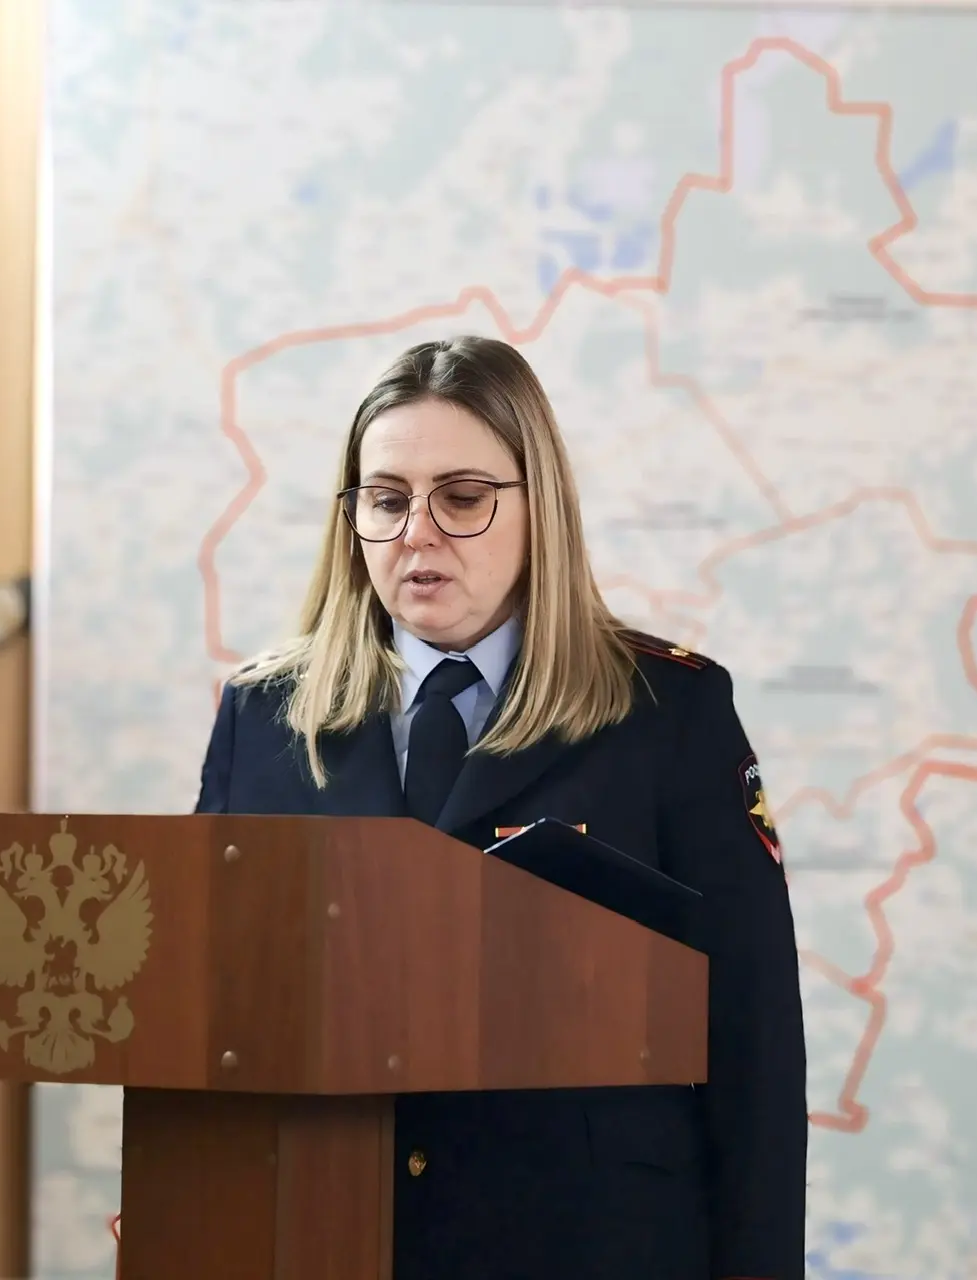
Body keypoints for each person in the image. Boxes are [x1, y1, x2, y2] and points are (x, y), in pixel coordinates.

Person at [194, 335, 807, 1280]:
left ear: (539, 508)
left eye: (463, 498)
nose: (418, 533)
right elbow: (211, 1015)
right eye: (386, 500)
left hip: (588, 1244)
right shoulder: (265, 715)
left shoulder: (667, 712)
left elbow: (752, 1040)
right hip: (331, 1231)